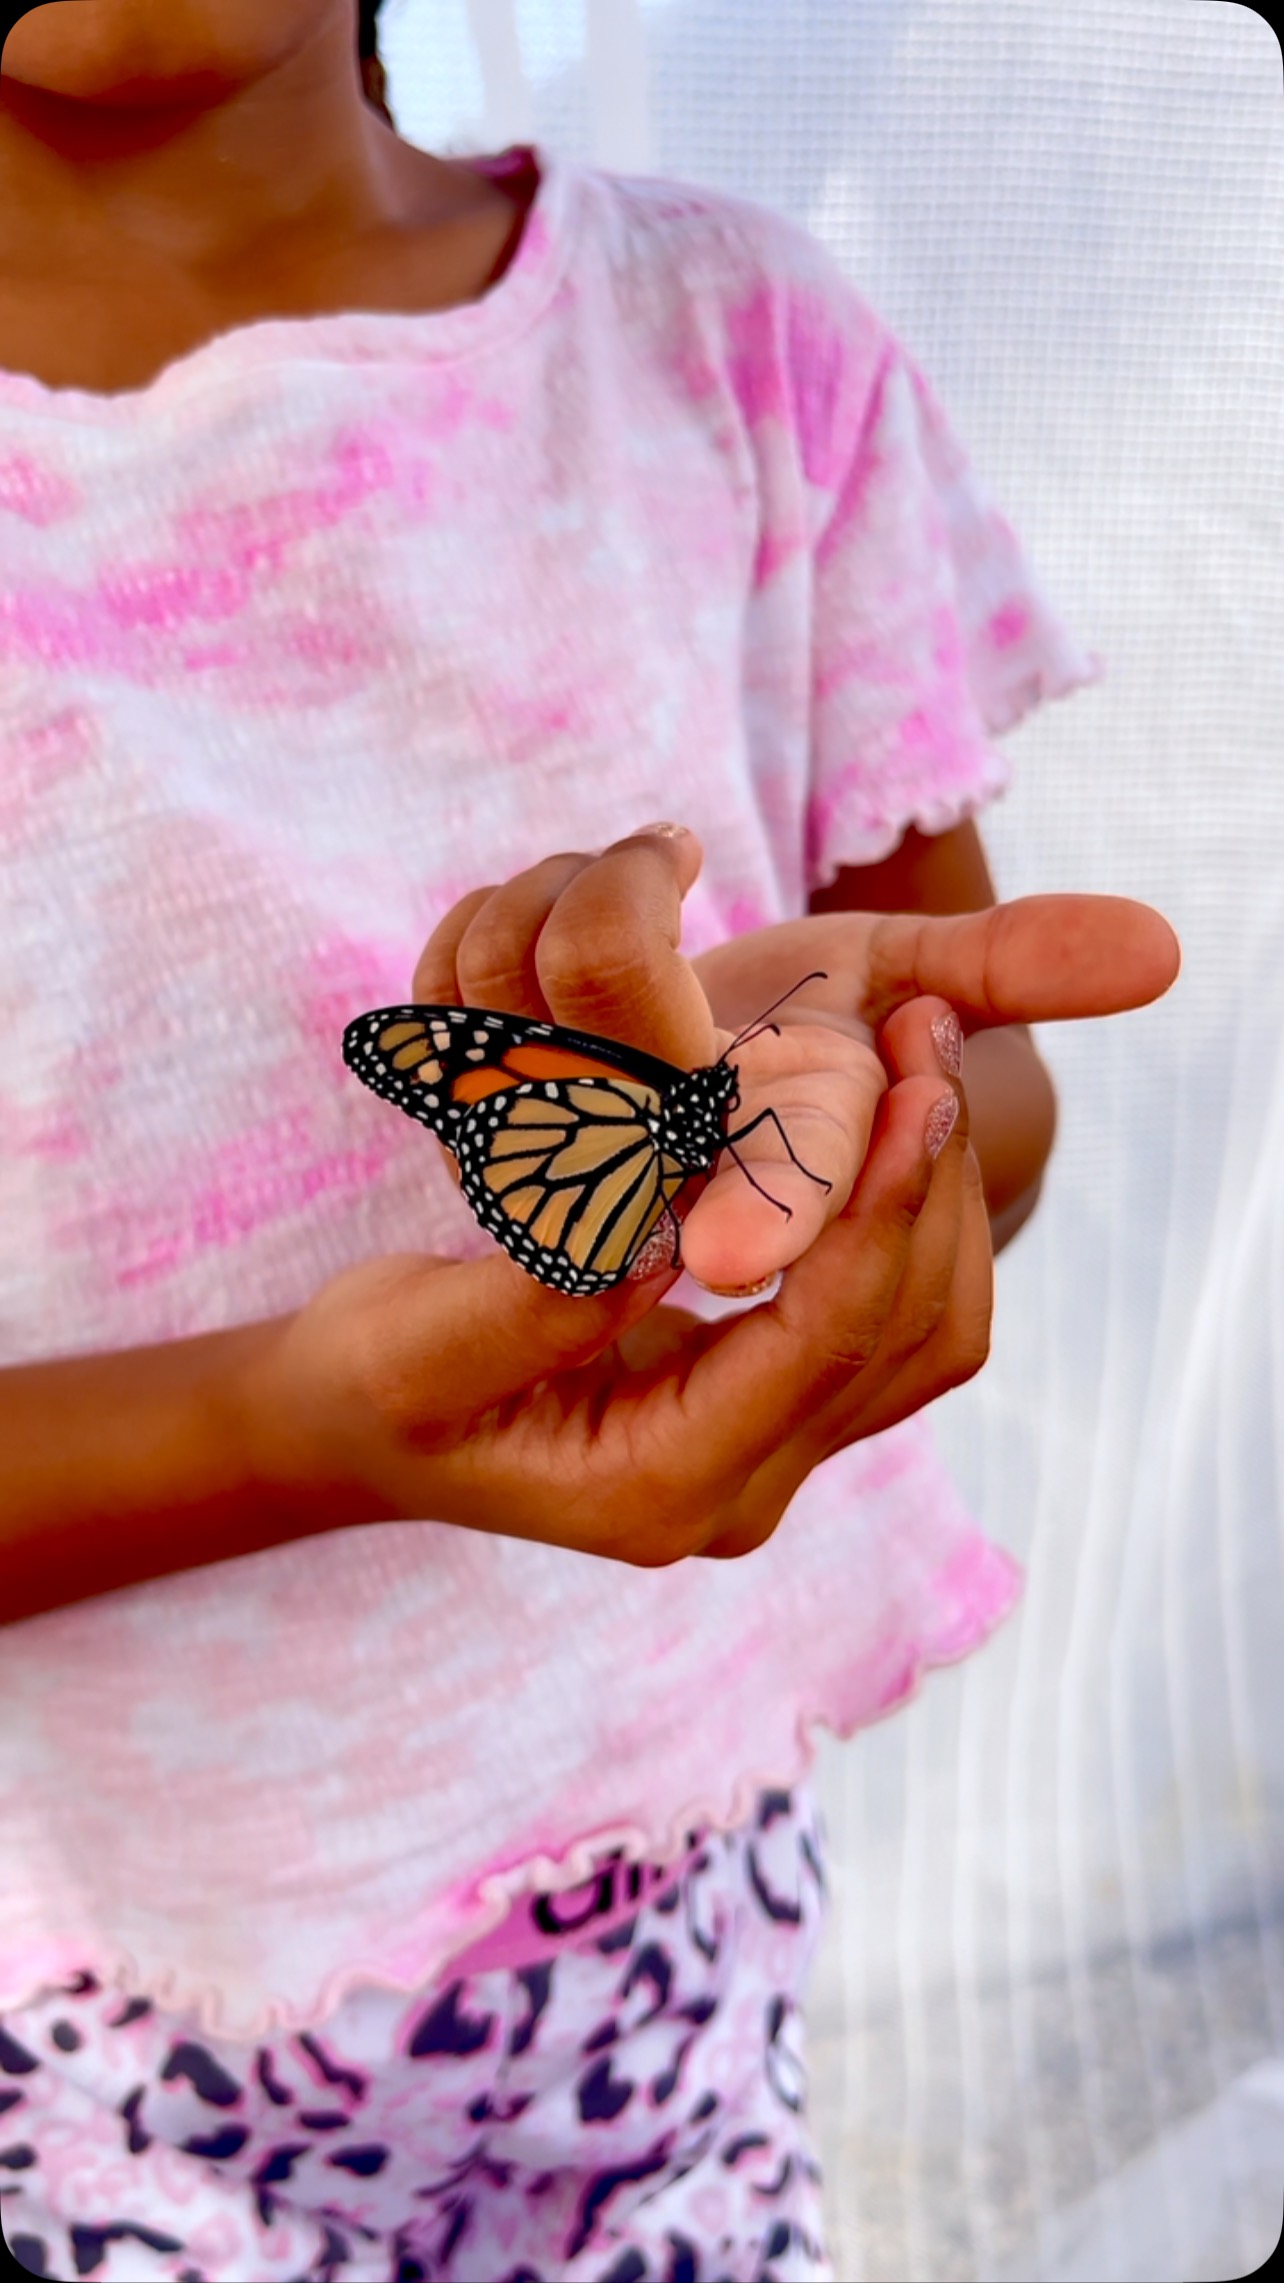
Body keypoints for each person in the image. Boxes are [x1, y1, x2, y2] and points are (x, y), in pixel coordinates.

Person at [0, 4, 1179, 2278]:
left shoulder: (738, 351)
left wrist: (858, 1123)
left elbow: (985, 1060)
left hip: (672, 1932)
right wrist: (290, 1426)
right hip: (70, 2034)